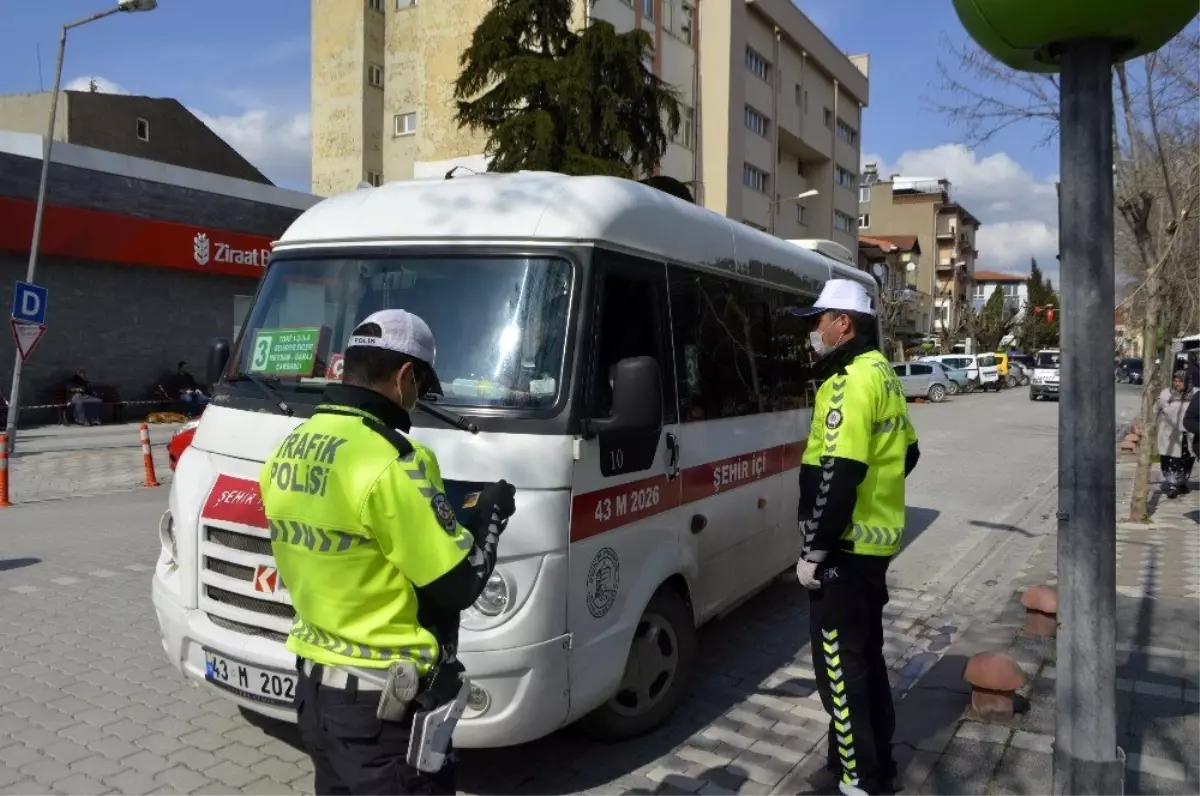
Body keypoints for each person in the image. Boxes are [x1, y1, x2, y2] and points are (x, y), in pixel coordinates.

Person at [260, 309, 516, 796]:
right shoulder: (395, 460)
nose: (419, 398)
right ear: (404, 377)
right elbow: (459, 584)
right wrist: (491, 518)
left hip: (317, 699)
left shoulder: (291, 446)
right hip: (381, 712)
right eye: (421, 384)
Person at [792, 280, 920, 796]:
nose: (813, 329)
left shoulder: (846, 380)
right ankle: (877, 766)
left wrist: (815, 550)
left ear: (843, 322)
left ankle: (857, 782)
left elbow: (837, 472)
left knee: (839, 676)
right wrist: (879, 498)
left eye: (818, 318)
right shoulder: (884, 373)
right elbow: (908, 452)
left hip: (842, 551)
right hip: (875, 544)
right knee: (865, 660)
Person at [1156, 370, 1195, 499]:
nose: (1177, 384)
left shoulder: (1194, 394)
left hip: (1188, 433)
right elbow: (1157, 408)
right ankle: (1172, 484)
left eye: (1180, 381)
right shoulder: (1166, 394)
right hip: (1170, 433)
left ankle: (1181, 483)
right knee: (1171, 459)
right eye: (1175, 381)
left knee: (1187, 459)